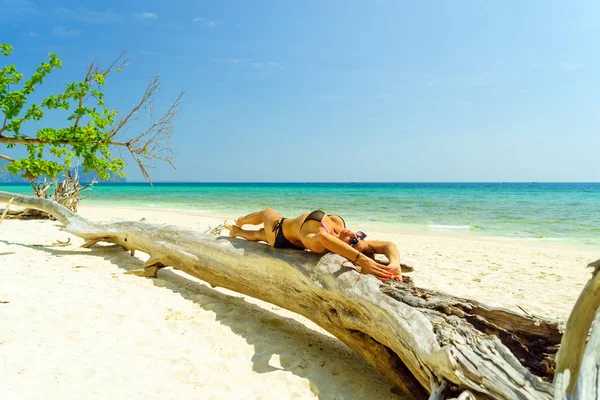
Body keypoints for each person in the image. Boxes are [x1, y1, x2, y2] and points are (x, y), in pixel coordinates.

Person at [224, 208, 402, 282]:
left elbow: (323, 238)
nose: (354, 235)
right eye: (360, 235)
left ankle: (239, 221)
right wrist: (394, 264)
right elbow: (388, 245)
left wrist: (361, 260)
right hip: (291, 236)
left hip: (279, 233)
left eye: (353, 241)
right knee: (257, 234)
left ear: (345, 249)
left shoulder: (320, 243)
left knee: (267, 212)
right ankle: (235, 231)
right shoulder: (341, 230)